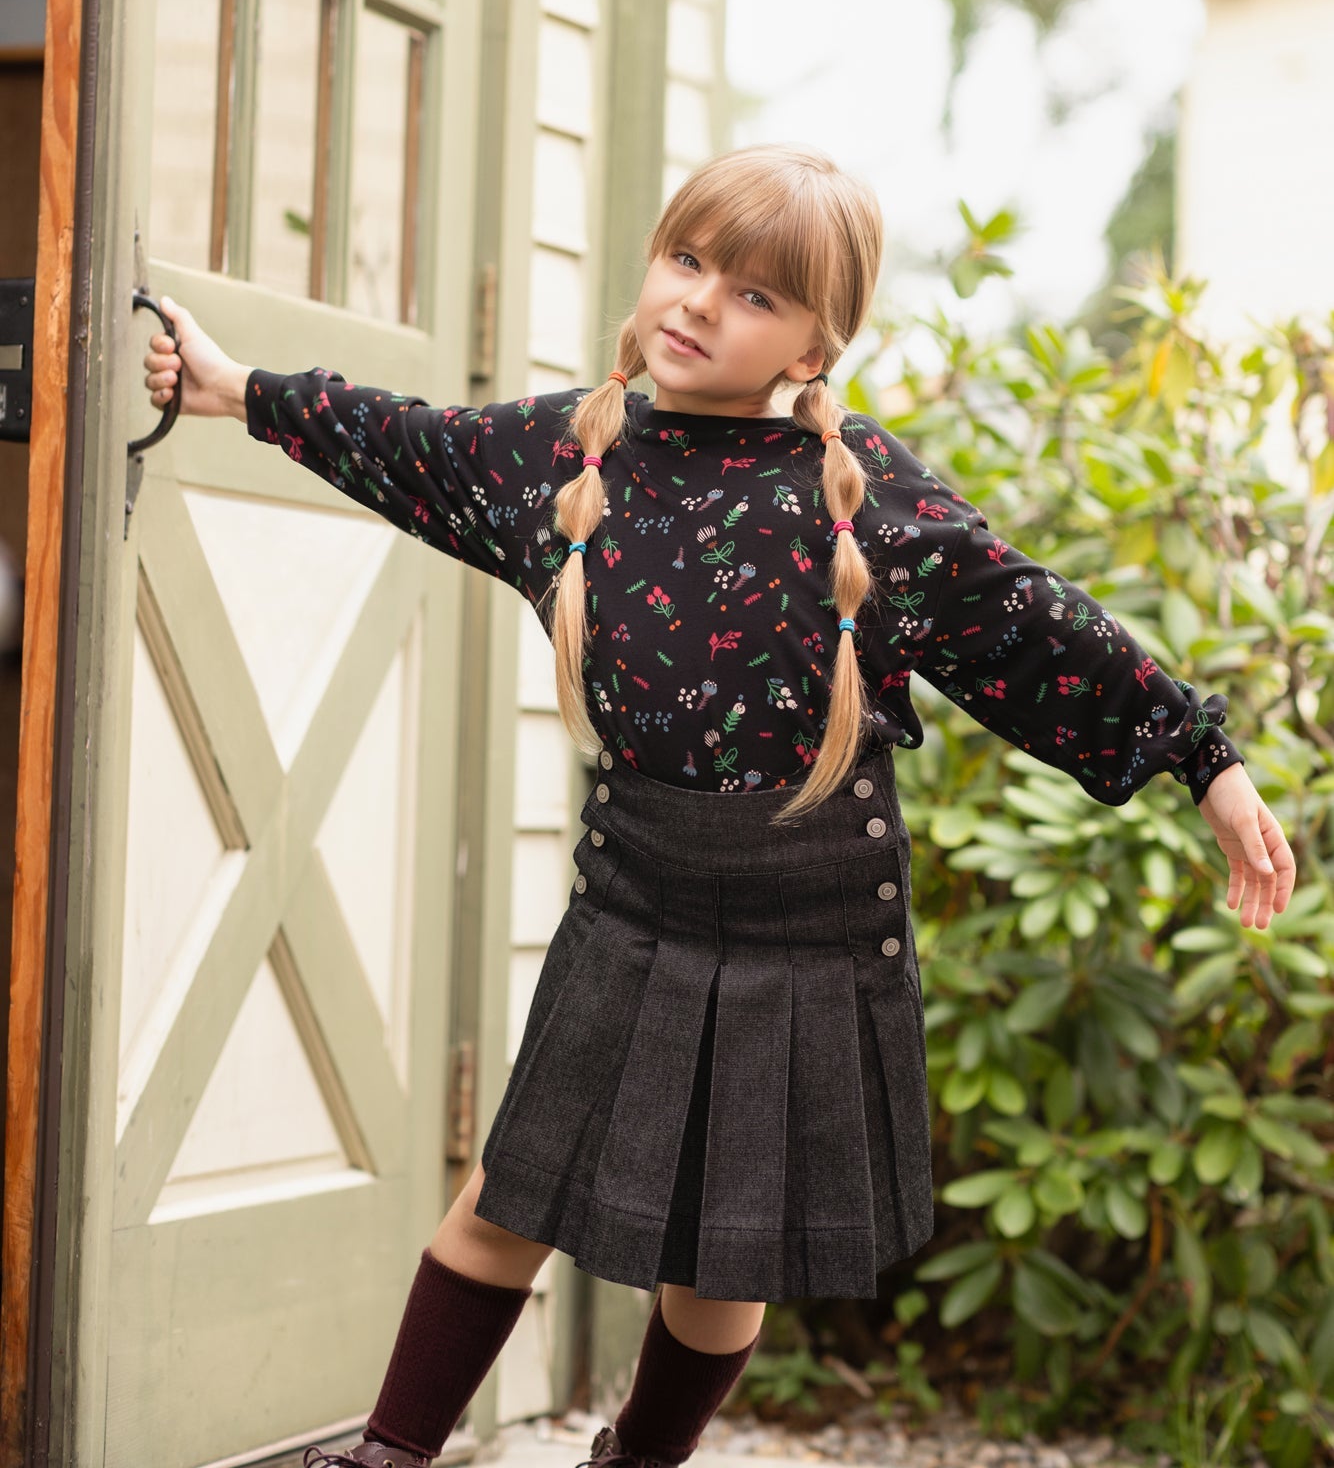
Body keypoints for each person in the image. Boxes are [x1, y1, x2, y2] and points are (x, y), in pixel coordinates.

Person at [142, 146, 1295, 1468]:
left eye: (753, 295)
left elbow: (1035, 630)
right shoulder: (566, 453)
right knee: (508, 1195)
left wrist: (1202, 761)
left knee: (720, 1251)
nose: (697, 303)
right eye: (687, 262)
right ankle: (389, 1454)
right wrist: (239, 392)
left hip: (811, 911)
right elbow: (411, 445)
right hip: (636, 888)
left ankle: (637, 1461)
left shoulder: (867, 492)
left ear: (814, 343)